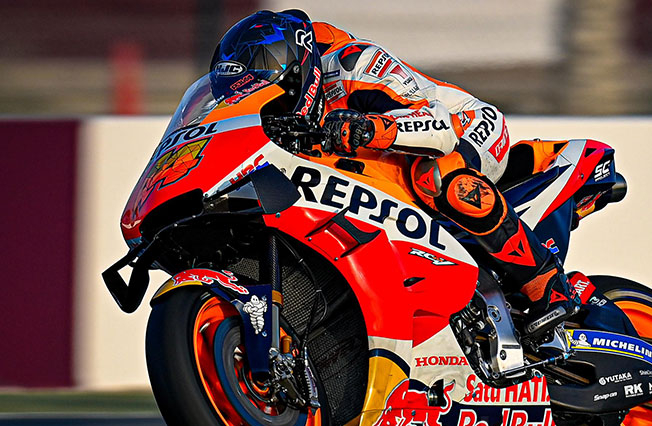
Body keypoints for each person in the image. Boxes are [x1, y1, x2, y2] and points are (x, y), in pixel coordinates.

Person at [209, 10, 581, 341]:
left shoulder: (352, 63)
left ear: (291, 68)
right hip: (386, 167)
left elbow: (438, 127)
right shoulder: (284, 120)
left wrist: (369, 128)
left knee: (435, 176)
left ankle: (545, 283)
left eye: (262, 90)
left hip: (466, 127)